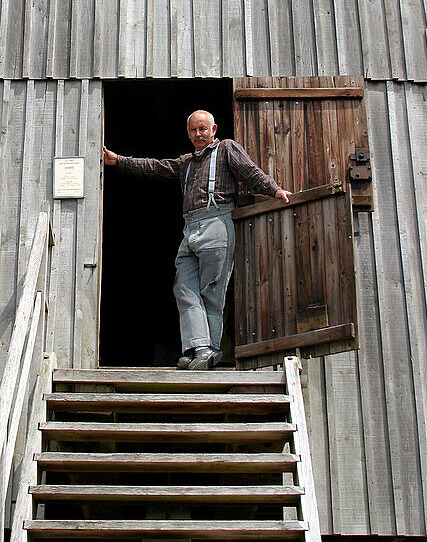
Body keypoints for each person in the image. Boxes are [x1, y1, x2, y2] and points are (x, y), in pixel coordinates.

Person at [103, 110, 292, 370]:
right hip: (190, 228)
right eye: (193, 130)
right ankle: (198, 347)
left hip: (217, 223)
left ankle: (211, 350)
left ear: (213, 129)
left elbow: (249, 171)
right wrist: (119, 161)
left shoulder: (226, 149)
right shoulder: (187, 162)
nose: (198, 134)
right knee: (184, 287)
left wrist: (274, 189)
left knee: (212, 291)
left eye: (203, 129)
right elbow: (156, 167)